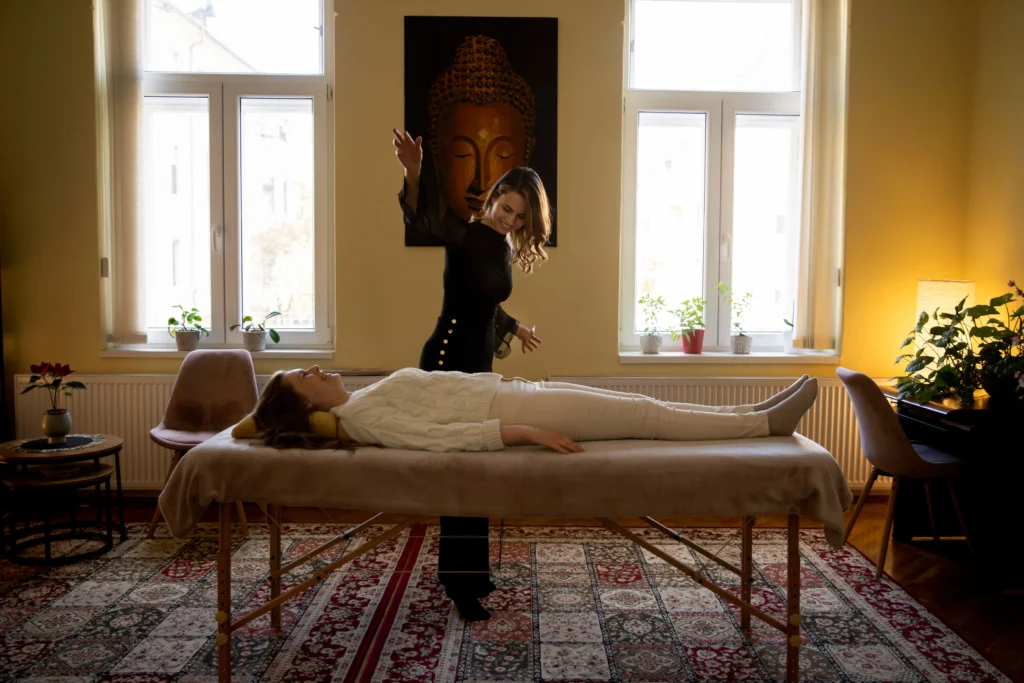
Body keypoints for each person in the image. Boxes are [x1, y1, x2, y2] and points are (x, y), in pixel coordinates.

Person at [253, 367, 819, 618]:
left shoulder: (359, 402)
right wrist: (525, 431)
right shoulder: (363, 418)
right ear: (305, 405)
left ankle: (752, 415)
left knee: (645, 409)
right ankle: (760, 425)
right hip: (519, 408)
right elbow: (440, 438)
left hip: (518, 393)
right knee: (645, 414)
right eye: (304, 377)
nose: (316, 369)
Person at [394, 71, 551, 618]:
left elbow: (483, 300)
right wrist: (413, 173)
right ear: (494, 195)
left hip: (476, 363)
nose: (509, 220)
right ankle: (459, 586)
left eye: (519, 217)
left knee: (476, 466)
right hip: (447, 361)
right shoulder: (463, 233)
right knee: (461, 472)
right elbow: (421, 219)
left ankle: (474, 575)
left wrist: (515, 328)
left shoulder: (500, 247)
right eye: (506, 208)